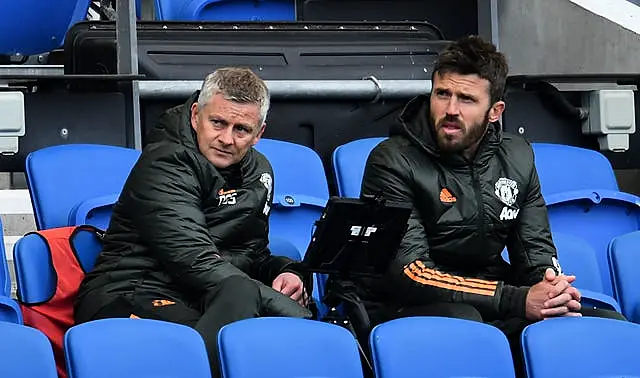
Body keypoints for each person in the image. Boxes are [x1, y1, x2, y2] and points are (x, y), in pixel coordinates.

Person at [338, 35, 625, 375]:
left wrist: (550, 291)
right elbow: (409, 273)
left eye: (467, 99)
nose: (450, 110)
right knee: (467, 323)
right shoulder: (391, 161)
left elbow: (534, 249)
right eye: (442, 94)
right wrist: (517, 299)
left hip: (488, 296)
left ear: (495, 111)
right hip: (403, 303)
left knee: (603, 322)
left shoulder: (517, 156)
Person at [74, 67, 312, 377]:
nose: (227, 139)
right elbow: (196, 262)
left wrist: (288, 273)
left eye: (241, 129)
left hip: (205, 297)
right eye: (218, 123)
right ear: (196, 115)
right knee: (257, 326)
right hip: (130, 292)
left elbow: (251, 254)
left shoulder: (259, 171)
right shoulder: (164, 163)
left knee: (266, 332)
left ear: (259, 133)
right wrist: (298, 316)